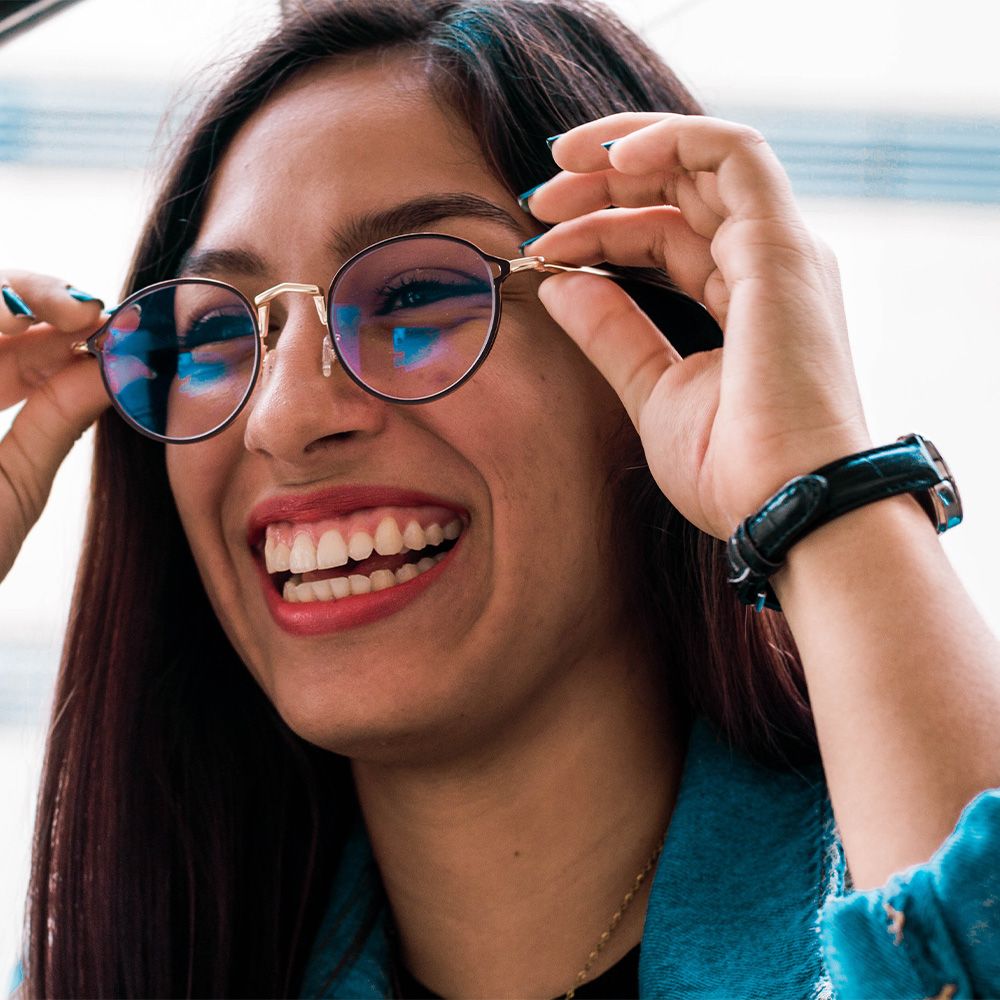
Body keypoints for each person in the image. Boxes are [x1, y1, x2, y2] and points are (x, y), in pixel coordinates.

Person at [2, 0, 999, 997]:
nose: (285, 415)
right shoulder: (128, 962)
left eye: (414, 295)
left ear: (656, 335)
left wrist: (815, 487)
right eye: (219, 334)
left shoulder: (895, 871)